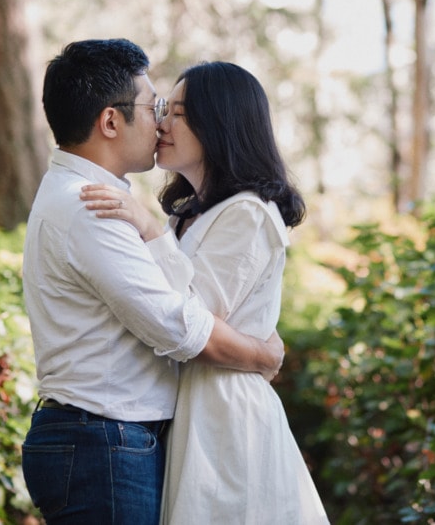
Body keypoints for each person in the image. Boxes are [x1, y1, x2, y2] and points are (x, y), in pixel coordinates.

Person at [20, 40, 285, 525]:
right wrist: (263, 354)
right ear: (110, 122)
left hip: (108, 439)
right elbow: (177, 325)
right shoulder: (90, 207)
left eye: (172, 111)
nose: (160, 121)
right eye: (154, 106)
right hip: (103, 441)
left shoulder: (90, 197)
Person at [82, 61, 329, 524]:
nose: (162, 123)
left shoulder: (250, 213)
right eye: (163, 109)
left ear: (220, 123)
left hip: (226, 416)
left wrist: (148, 230)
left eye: (179, 112)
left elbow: (193, 316)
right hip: (182, 408)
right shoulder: (185, 214)